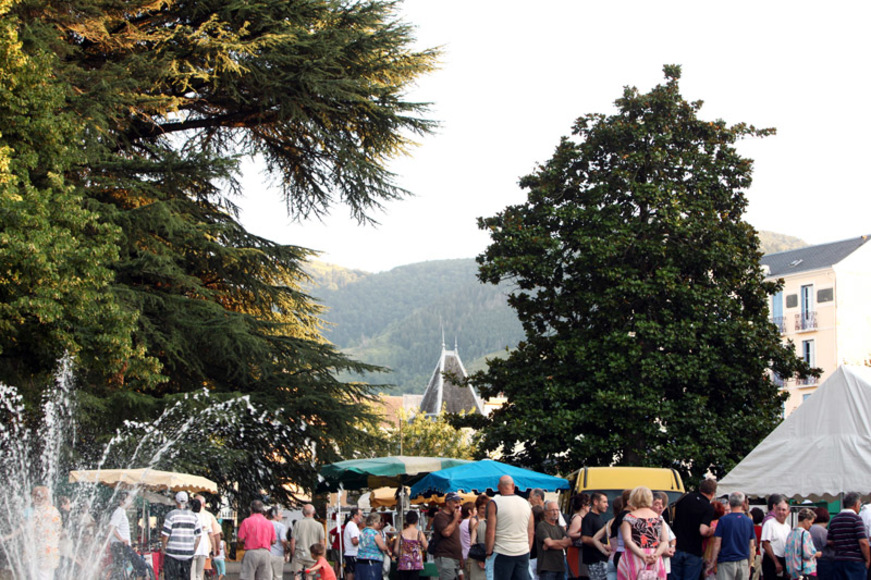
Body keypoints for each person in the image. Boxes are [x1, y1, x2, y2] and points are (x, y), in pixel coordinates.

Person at [485, 475, 534, 580]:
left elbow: (490, 531)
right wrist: (527, 550)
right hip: (522, 551)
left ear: (498, 487)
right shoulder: (526, 503)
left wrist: (488, 552)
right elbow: (530, 531)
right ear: (513, 486)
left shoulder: (495, 503)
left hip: (502, 551)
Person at [616, 486, 668, 580]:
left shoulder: (629, 517)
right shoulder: (658, 518)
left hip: (634, 556)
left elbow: (627, 540)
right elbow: (665, 541)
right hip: (654, 557)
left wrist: (642, 554)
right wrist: (656, 555)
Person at [672, 479, 717, 580]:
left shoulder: (685, 497)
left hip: (676, 547)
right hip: (693, 552)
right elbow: (703, 530)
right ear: (713, 493)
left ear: (700, 488)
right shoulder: (708, 508)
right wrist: (711, 531)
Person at [708, 492, 756, 580]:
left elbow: (717, 544)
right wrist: (749, 564)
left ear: (729, 503)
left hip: (726, 562)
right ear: (742, 503)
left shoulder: (723, 520)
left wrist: (712, 562)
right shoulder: (748, 521)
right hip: (743, 561)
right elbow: (751, 545)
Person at [827, 492, 870, 580]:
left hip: (839, 560)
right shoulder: (856, 519)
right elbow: (863, 542)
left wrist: (841, 546)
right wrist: (868, 559)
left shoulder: (835, 519)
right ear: (856, 504)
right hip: (855, 562)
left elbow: (829, 541)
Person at [161, 491, 202, 580]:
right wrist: (193, 549)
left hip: (172, 553)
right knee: (185, 577)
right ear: (187, 502)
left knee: (171, 578)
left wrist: (164, 547)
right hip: (188, 554)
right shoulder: (193, 516)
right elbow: (199, 536)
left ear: (176, 501)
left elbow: (165, 535)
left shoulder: (171, 515)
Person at [237, 499, 276, 580]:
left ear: (251, 509)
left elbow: (240, 539)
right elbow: (273, 541)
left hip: (251, 552)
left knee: (247, 577)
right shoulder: (269, 523)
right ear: (262, 510)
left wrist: (247, 540)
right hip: (265, 552)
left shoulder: (246, 521)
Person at [536, 500, 573, 580]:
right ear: (545, 512)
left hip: (560, 566)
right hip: (547, 568)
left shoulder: (559, 527)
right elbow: (549, 543)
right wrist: (561, 543)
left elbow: (569, 542)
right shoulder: (542, 526)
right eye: (552, 510)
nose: (555, 513)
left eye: (557, 510)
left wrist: (552, 543)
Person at [433, 492, 465, 580]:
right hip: (445, 556)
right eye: (455, 502)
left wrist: (460, 557)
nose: (458, 505)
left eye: (459, 502)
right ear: (448, 503)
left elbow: (456, 539)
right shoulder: (440, 516)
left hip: (455, 557)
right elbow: (446, 533)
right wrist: (455, 519)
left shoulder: (453, 517)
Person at [582, 493, 611, 580]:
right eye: (604, 502)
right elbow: (585, 538)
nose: (607, 505)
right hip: (595, 560)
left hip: (602, 560)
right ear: (595, 502)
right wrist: (605, 546)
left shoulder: (599, 518)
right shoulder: (589, 518)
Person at [785, 508, 820, 580]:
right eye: (811, 522)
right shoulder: (805, 534)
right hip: (806, 571)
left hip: (794, 573)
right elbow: (807, 554)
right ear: (806, 521)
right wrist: (817, 554)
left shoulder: (790, 534)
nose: (811, 525)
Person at [760, 497, 790, 580]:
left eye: (783, 510)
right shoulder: (769, 524)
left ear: (788, 512)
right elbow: (765, 544)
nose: (781, 512)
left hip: (783, 560)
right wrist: (776, 562)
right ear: (775, 510)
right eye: (779, 509)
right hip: (771, 561)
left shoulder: (787, 527)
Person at [292, 505, 326, 577]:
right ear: (314, 512)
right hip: (313, 555)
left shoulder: (297, 524)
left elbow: (293, 540)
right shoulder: (319, 525)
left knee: (297, 575)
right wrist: (322, 555)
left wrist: (293, 553)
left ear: (303, 513)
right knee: (309, 575)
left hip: (299, 554)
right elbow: (322, 542)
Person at [355, 512, 390, 580]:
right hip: (372, 562)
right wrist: (387, 548)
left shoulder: (362, 532)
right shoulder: (375, 534)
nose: (380, 525)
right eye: (379, 523)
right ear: (374, 522)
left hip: (360, 561)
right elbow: (382, 547)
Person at [394, 510, 427, 580]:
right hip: (416, 564)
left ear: (406, 521)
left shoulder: (401, 533)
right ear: (416, 521)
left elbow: (395, 550)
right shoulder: (420, 534)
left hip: (403, 563)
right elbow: (426, 547)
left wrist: (399, 556)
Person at [652, 492, 676, 577]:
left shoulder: (661, 519)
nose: (661, 507)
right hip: (653, 564)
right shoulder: (647, 521)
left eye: (661, 504)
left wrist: (672, 548)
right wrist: (662, 551)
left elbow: (672, 538)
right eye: (657, 504)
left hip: (664, 565)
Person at [191, 498, 213, 580]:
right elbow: (211, 534)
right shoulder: (207, 517)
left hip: (192, 549)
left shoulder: (190, 517)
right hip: (203, 549)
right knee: (199, 575)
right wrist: (213, 548)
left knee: (191, 575)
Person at [811, 508, 834, 580]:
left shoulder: (811, 528)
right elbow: (829, 543)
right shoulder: (822, 531)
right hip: (825, 562)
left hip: (815, 561)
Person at [268, 507, 288, 579]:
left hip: (267, 553)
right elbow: (283, 540)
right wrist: (285, 551)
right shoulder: (281, 526)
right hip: (278, 554)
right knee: (278, 576)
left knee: (268, 576)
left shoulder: (266, 524)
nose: (282, 516)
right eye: (280, 514)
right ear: (275, 515)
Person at [344, 508, 364, 580]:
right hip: (353, 553)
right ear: (355, 516)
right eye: (360, 516)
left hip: (350, 553)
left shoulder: (350, 525)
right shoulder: (353, 526)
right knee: (352, 572)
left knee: (350, 571)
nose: (361, 518)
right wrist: (363, 540)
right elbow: (354, 541)